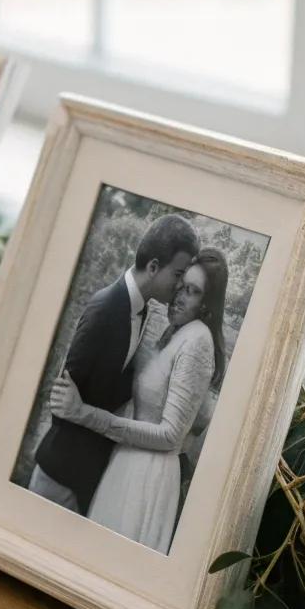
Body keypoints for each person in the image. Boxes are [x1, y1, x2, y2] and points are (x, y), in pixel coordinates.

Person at [48, 247, 228, 553]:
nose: (181, 296)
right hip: (128, 464)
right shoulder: (177, 333)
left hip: (148, 476)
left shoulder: (197, 339)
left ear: (206, 306)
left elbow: (171, 435)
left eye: (194, 292)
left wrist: (84, 413)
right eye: (182, 286)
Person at [28, 213, 200, 514]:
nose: (178, 286)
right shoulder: (105, 310)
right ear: (153, 267)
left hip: (88, 473)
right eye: (177, 275)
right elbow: (64, 399)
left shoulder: (141, 309)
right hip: (61, 475)